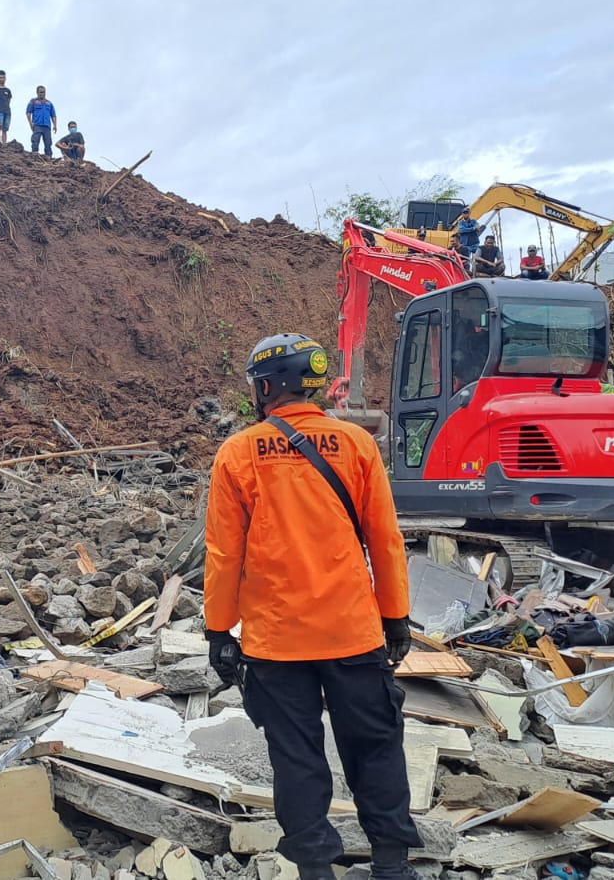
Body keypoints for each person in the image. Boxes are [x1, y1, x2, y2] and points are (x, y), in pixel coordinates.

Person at [204, 333, 422, 880]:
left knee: (296, 757)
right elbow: (385, 539)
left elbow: (224, 554)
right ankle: (391, 864)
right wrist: (395, 616)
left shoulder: (239, 453)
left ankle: (316, 869)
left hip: (276, 642)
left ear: (267, 387)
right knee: (375, 747)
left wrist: (218, 631)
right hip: (353, 633)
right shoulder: (356, 444)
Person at [26, 85, 56, 157]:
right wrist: (30, 123)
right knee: (35, 141)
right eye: (41, 92)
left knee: (48, 143)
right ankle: (34, 156)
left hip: (47, 126)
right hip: (37, 125)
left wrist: (55, 125)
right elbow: (28, 112)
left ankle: (48, 157)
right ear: (37, 92)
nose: (42, 93)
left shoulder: (49, 103)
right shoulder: (33, 101)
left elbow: (53, 115)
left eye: (43, 92)